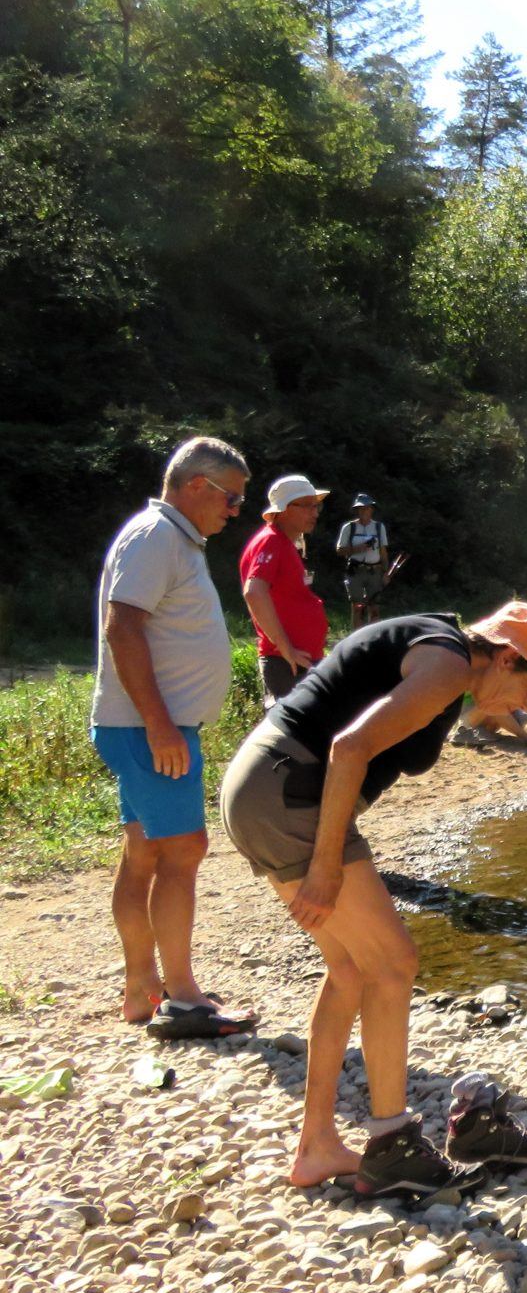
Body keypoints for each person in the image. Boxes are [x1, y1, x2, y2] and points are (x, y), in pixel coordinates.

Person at [217, 601, 527, 1196]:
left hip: (264, 786)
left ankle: (318, 1147)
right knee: (396, 963)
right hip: (288, 791)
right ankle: (392, 1146)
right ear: (507, 656)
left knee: (353, 967)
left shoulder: (445, 660)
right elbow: (349, 748)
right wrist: (326, 864)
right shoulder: (449, 665)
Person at [90, 436, 258, 1038]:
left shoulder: (169, 538)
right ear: (195, 485)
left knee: (146, 855)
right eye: (231, 497)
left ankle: (142, 989)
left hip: (143, 726)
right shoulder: (157, 536)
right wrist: (161, 725)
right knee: (183, 854)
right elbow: (123, 626)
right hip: (149, 728)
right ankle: (183, 998)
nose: (236, 510)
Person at [240, 475, 331, 708]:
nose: (315, 512)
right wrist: (285, 648)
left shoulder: (284, 543)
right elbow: (254, 592)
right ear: (284, 510)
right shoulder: (270, 541)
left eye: (316, 505)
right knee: (292, 740)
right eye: (307, 505)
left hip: (297, 660)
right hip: (286, 663)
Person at [335, 495, 391, 630]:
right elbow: (339, 550)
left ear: (372, 510)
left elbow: (383, 551)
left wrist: (386, 573)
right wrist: (357, 549)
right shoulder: (349, 527)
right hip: (355, 571)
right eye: (361, 509)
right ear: (357, 510)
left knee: (375, 607)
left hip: (374, 571)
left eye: (367, 508)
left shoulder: (378, 527)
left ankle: (375, 638)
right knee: (357, 606)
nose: (364, 511)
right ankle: (357, 638)